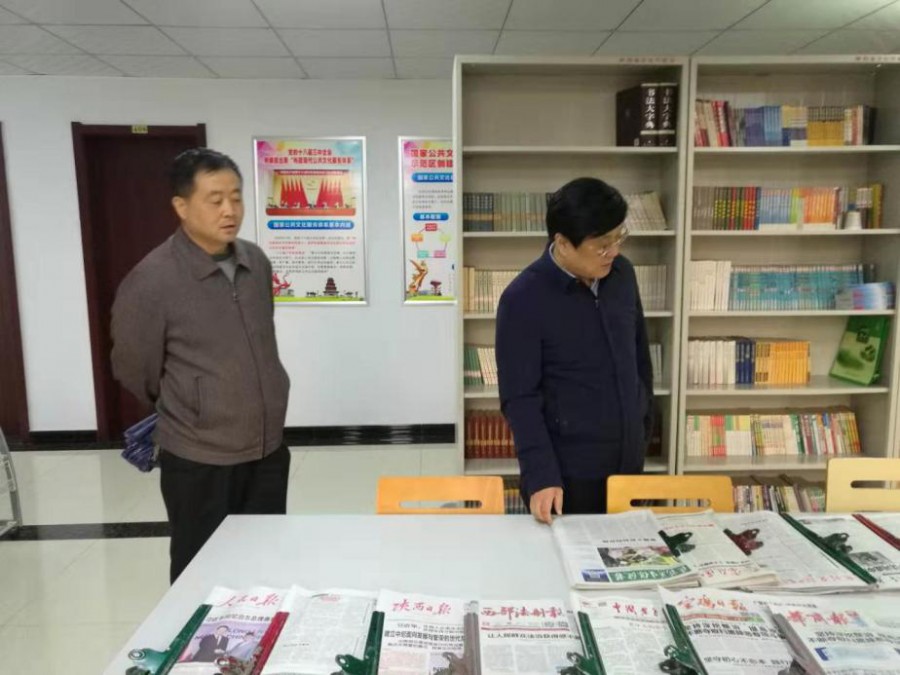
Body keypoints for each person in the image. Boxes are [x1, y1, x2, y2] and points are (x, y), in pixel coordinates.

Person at [111, 148, 291, 582]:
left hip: (266, 451)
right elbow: (134, 369)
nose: (230, 210)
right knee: (200, 576)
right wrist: (194, 402)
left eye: (236, 197)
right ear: (181, 205)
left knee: (264, 568)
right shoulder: (152, 280)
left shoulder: (255, 262)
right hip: (198, 459)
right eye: (215, 200)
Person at [496, 177, 654, 524]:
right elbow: (519, 398)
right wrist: (541, 473)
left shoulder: (622, 276)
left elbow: (639, 355)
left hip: (629, 464)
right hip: (567, 475)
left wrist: (644, 421)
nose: (614, 252)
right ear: (563, 243)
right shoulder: (522, 299)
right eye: (602, 245)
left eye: (619, 238)